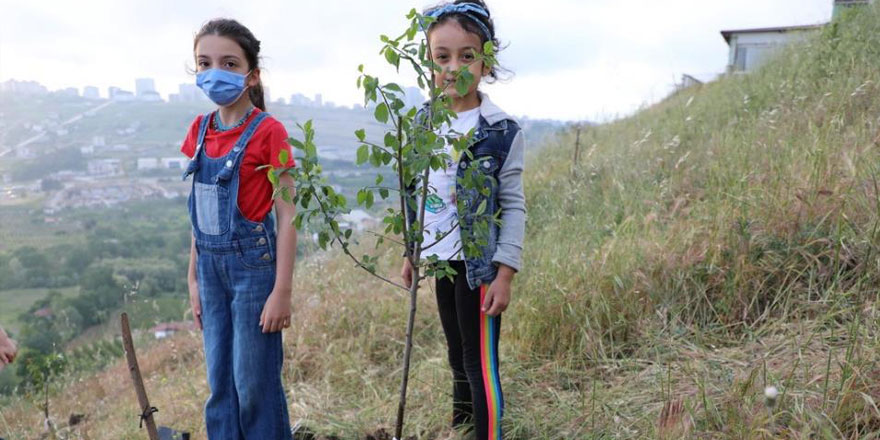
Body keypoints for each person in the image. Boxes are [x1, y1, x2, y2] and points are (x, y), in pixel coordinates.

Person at [401, 2, 526, 439]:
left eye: (467, 55)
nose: (454, 67)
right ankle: (463, 427)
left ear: (486, 60)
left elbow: (513, 205)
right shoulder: (422, 123)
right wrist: (411, 251)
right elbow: (414, 193)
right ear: (429, 62)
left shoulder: (500, 130)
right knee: (456, 352)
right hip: (440, 261)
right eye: (442, 57)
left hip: (482, 267)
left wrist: (505, 272)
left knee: (480, 361)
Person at [181, 18, 296, 440]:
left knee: (254, 384)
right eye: (204, 63)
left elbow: (287, 216)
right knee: (220, 387)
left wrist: (281, 290)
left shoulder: (269, 131)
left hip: (254, 272)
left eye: (229, 63)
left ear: (252, 74)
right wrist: (193, 277)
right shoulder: (199, 129)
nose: (216, 72)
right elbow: (199, 212)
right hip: (210, 272)